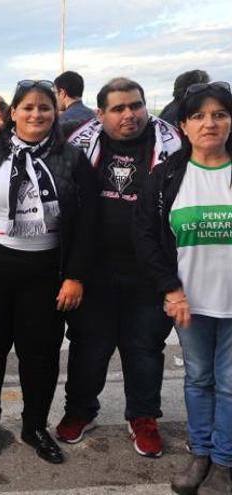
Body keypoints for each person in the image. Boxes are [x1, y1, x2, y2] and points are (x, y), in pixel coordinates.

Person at [0, 79, 98, 464]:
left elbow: (90, 220)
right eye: (27, 107)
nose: (36, 114)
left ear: (55, 112)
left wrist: (74, 275)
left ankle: (35, 425)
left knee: (40, 354)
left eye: (44, 107)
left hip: (44, 270)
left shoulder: (72, 158)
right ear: (13, 113)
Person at [60, 78, 181, 458]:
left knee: (144, 348)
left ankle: (143, 417)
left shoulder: (176, 146)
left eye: (136, 105)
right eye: (118, 108)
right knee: (89, 348)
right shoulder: (77, 146)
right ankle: (80, 410)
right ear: (101, 114)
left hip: (150, 272)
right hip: (94, 271)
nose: (129, 114)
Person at [135, 81, 232, 495]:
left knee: (229, 382)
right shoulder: (168, 175)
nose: (210, 123)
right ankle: (202, 454)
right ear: (184, 126)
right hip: (189, 303)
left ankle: (224, 463)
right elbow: (146, 238)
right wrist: (170, 289)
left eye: (220, 114)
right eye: (199, 116)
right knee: (197, 378)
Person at [55, 71, 96, 138]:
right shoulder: (94, 116)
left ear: (62, 93)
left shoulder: (62, 120)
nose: (55, 97)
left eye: (55, 92)